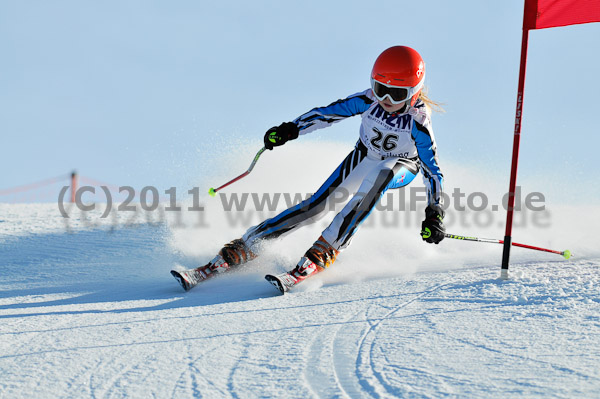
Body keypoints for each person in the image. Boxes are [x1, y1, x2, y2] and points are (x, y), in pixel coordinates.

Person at [171, 45, 445, 293]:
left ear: (414, 92)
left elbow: (432, 171)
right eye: (378, 88)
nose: (385, 99)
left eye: (396, 93)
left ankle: (324, 251)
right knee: (317, 205)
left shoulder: (418, 122)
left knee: (380, 177)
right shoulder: (367, 101)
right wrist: (290, 129)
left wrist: (435, 212)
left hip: (401, 165)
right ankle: (246, 246)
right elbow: (327, 113)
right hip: (365, 155)